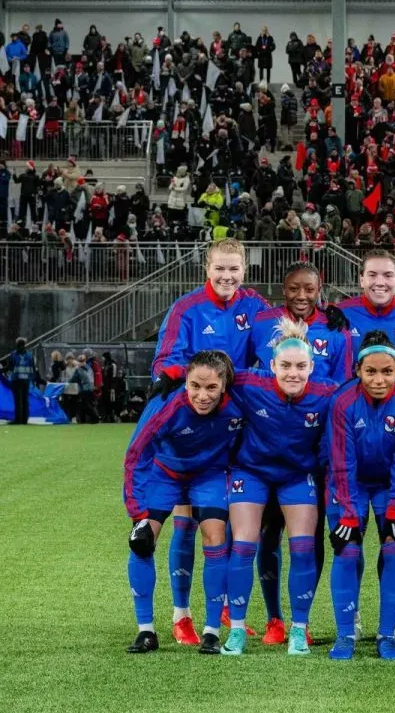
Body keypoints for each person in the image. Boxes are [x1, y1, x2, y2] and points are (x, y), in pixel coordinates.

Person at [150, 238, 271, 645]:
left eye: (234, 269)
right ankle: (181, 615)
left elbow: (279, 342)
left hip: (236, 428)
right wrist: (199, 388)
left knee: (227, 523)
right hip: (194, 427)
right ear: (207, 268)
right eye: (220, 268)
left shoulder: (254, 307)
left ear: (244, 271)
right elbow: (165, 361)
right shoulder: (186, 308)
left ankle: (220, 611)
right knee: (185, 522)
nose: (227, 276)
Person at [250, 261, 352, 645]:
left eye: (309, 288)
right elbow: (247, 372)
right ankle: (275, 618)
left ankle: (301, 621)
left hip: (317, 448)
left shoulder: (337, 328)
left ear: (319, 287)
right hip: (270, 438)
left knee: (309, 536)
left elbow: (344, 389)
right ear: (283, 288)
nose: (302, 296)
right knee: (268, 532)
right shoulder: (262, 323)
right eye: (294, 288)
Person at [221, 319, 336, 657]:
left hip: (297, 476)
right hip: (251, 472)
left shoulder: (327, 393)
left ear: (312, 367)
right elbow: (209, 375)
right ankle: (238, 629)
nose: (293, 373)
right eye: (285, 365)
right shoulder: (247, 383)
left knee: (302, 547)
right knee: (243, 546)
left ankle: (298, 629)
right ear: (271, 365)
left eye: (301, 366)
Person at [123, 350, 243, 654]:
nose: (202, 395)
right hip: (166, 473)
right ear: (185, 383)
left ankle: (212, 631)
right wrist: (137, 514)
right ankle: (146, 630)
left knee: (216, 536)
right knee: (142, 540)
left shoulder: (239, 404)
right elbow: (136, 455)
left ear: (225, 386)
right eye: (194, 386)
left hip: (209, 475)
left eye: (211, 388)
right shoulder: (165, 405)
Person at [324, 330, 395, 661]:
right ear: (357, 371)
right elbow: (341, 461)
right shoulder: (342, 402)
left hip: (391, 486)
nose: (379, 379)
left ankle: (387, 634)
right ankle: (345, 635)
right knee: (347, 549)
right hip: (349, 484)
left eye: (387, 372)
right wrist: (350, 515)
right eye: (370, 372)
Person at [337, 249, 395, 377]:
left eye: (388, 275)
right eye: (372, 275)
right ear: (362, 280)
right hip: (354, 396)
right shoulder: (340, 314)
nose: (380, 282)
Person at [9, 337, 36, 425]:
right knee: (25, 400)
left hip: (16, 380)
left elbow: (10, 367)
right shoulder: (30, 355)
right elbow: (33, 368)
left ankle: (18, 419)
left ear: (17, 345)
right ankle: (25, 420)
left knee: (17, 401)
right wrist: (34, 379)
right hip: (26, 380)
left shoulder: (13, 354)